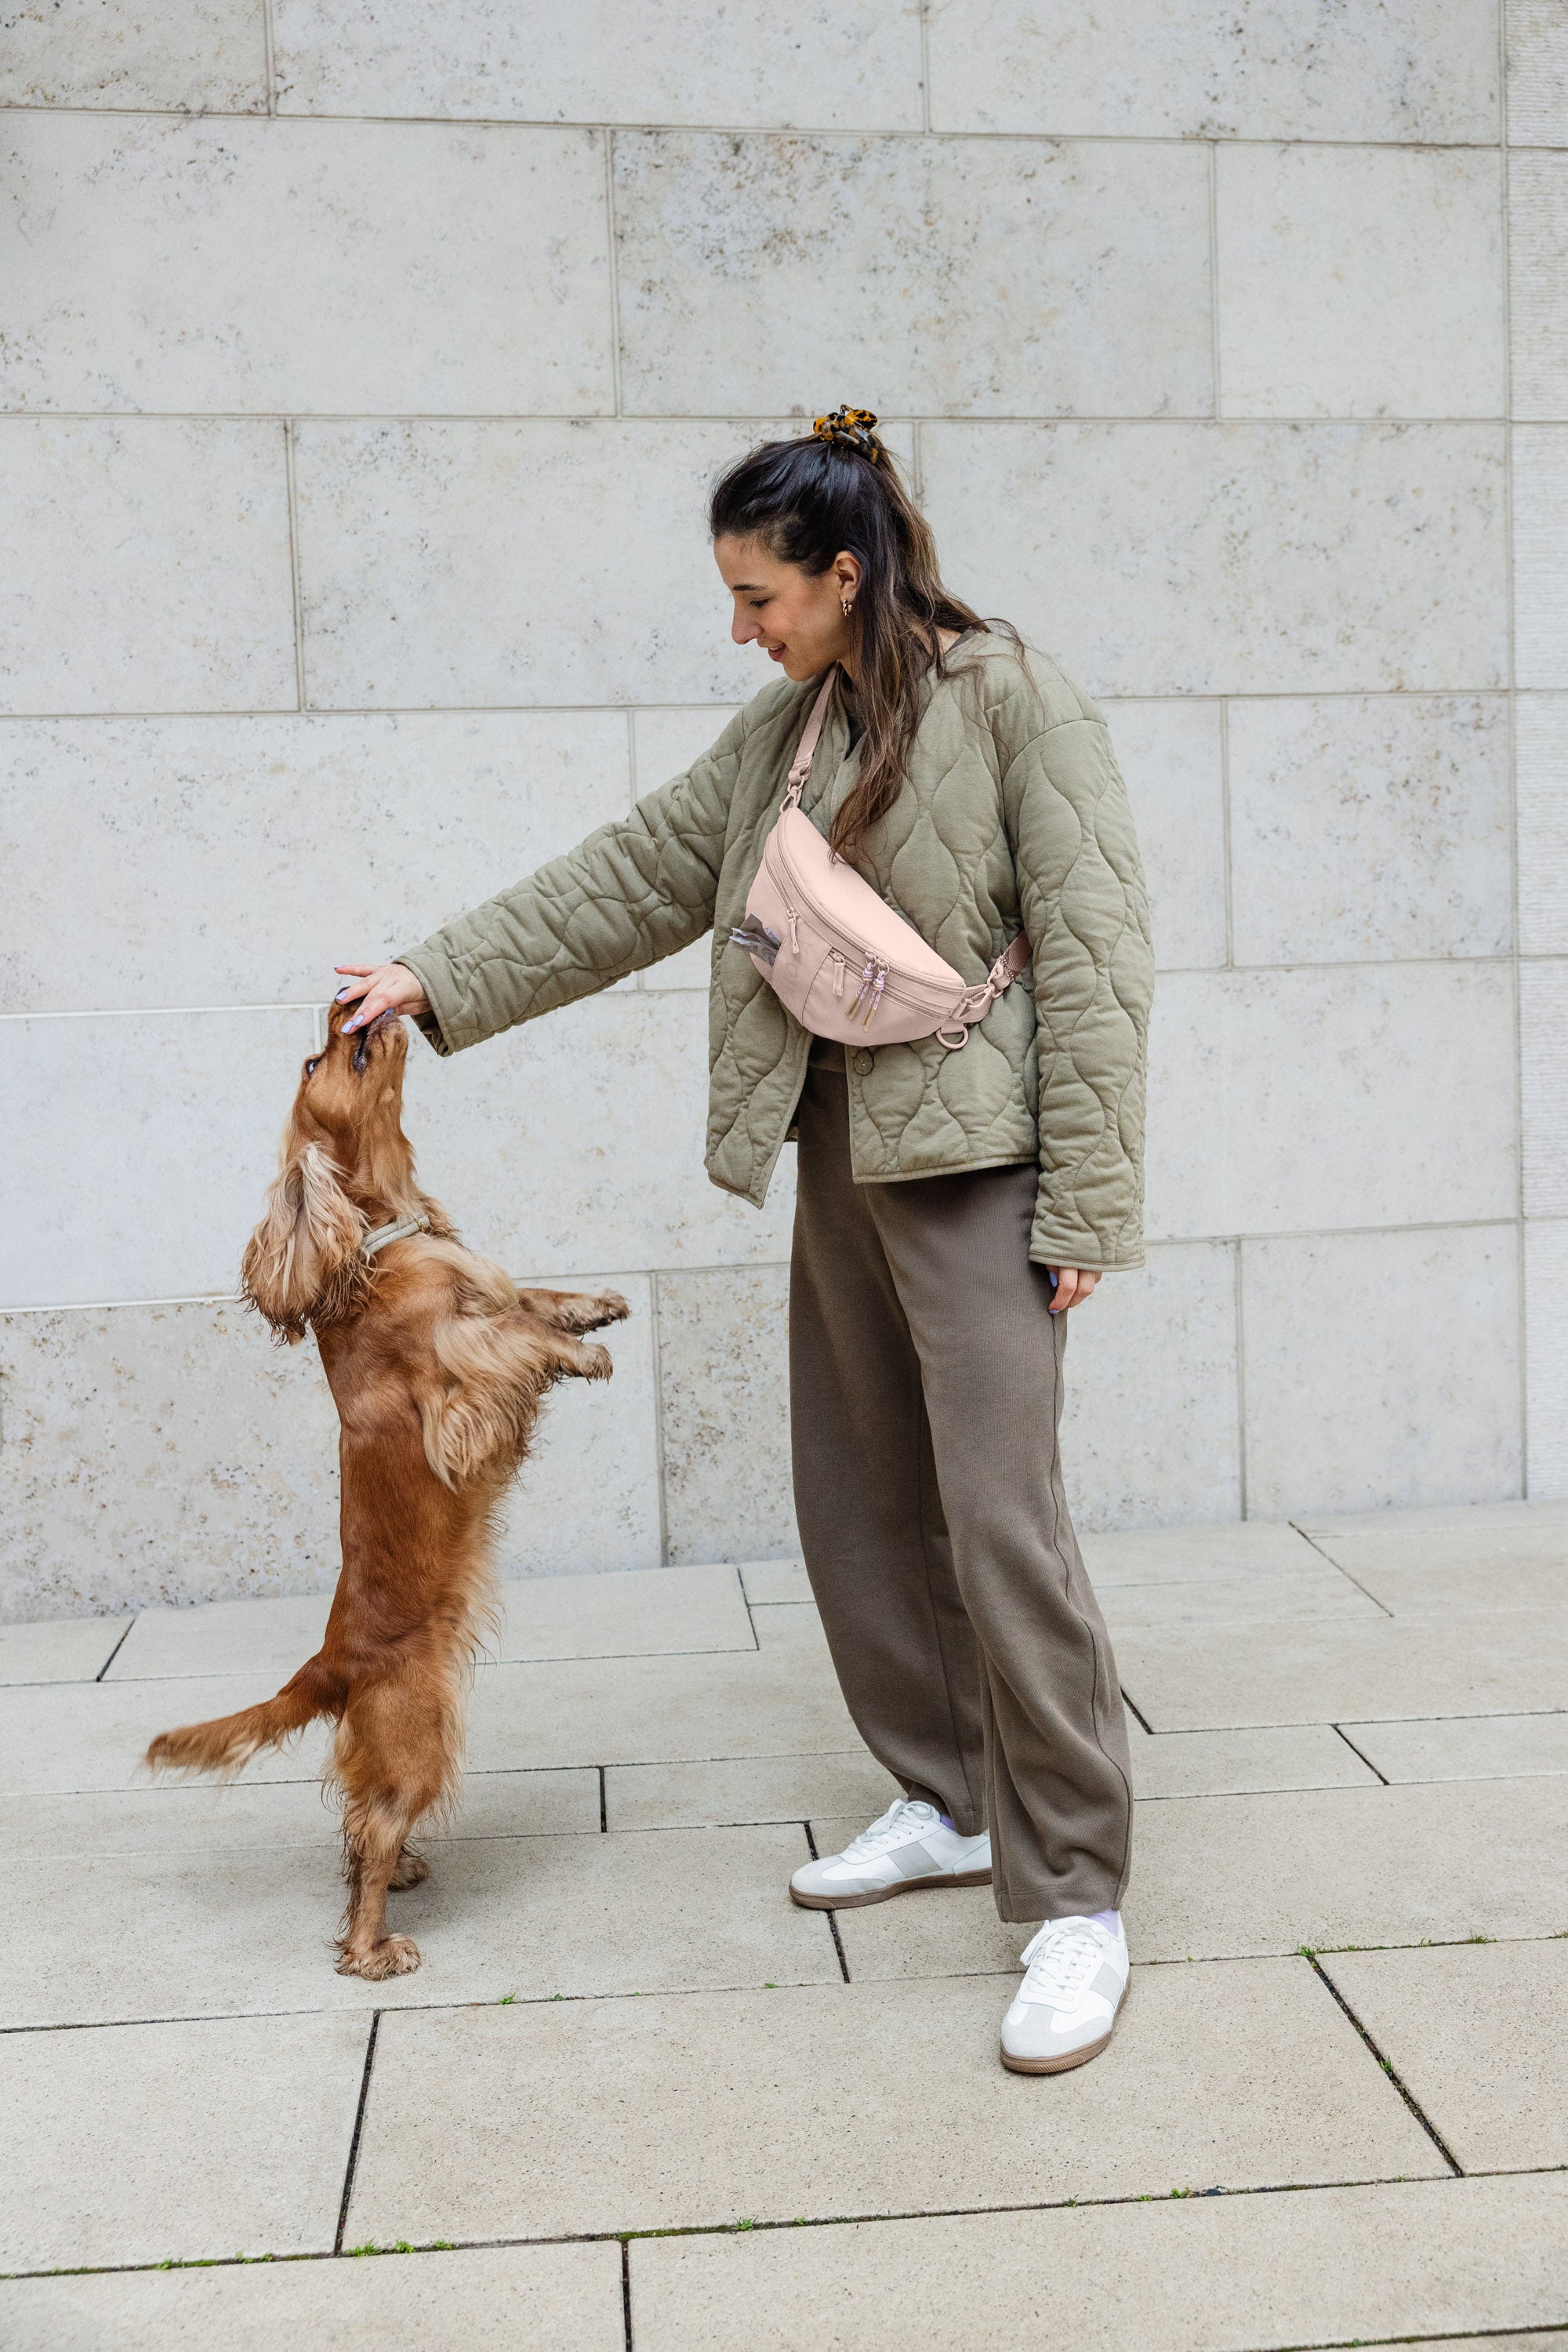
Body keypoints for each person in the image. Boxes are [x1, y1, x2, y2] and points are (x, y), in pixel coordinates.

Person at [336, 406, 1154, 2074]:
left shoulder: (1018, 702)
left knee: (1002, 1525)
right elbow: (640, 871)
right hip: (844, 1147)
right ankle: (940, 1795)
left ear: (848, 572)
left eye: (759, 595)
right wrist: (436, 972)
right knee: (858, 1497)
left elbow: (1095, 947)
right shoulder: (787, 731)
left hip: (983, 1163)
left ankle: (1074, 1895)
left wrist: (1089, 1202)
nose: (741, 627)